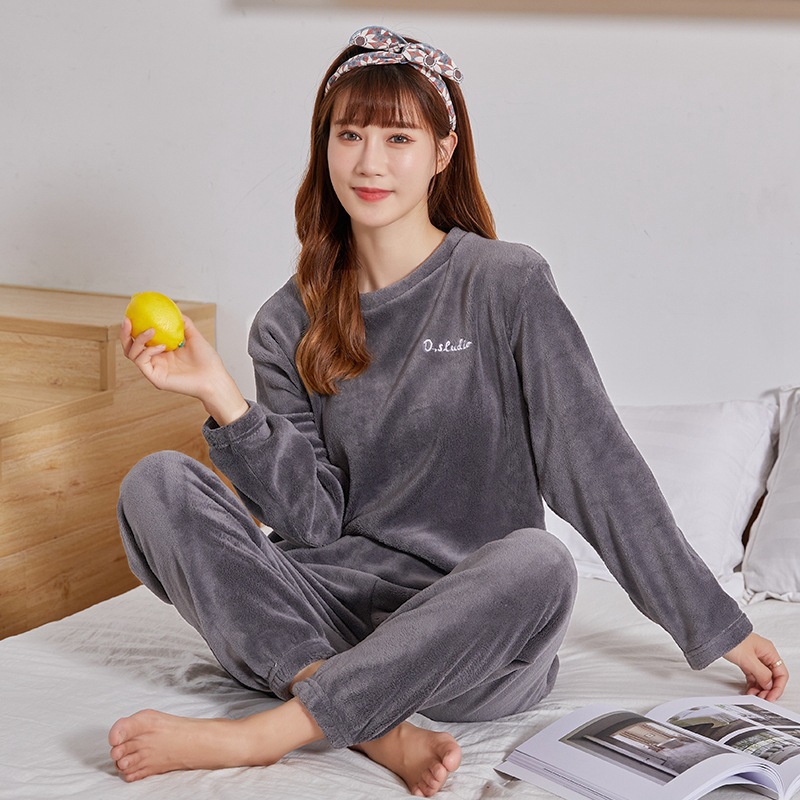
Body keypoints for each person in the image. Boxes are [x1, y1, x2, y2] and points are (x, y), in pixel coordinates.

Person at [108, 25, 789, 798]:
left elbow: (596, 466)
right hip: (330, 615)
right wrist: (220, 396)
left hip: (471, 638)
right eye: (350, 134)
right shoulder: (286, 321)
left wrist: (716, 625)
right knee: (156, 482)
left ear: (442, 151)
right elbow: (313, 525)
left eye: (398, 137)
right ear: (324, 147)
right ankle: (373, 724)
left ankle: (270, 733)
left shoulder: (505, 284)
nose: (369, 161)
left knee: (540, 563)